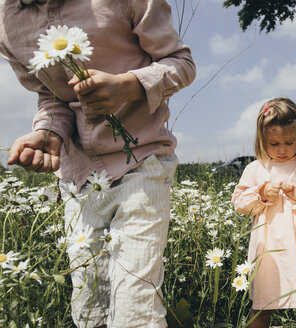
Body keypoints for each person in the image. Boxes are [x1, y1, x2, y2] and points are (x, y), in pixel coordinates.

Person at [0, 0, 196, 327]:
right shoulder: (7, 23)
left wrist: (128, 86)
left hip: (141, 163)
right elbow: (52, 97)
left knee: (135, 309)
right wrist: (48, 132)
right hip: (78, 179)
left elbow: (182, 62)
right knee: (90, 307)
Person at [232, 98, 296, 327]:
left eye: (289, 142)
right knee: (261, 310)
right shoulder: (256, 169)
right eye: (274, 143)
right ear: (262, 140)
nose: (282, 150)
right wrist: (262, 193)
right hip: (268, 253)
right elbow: (239, 202)